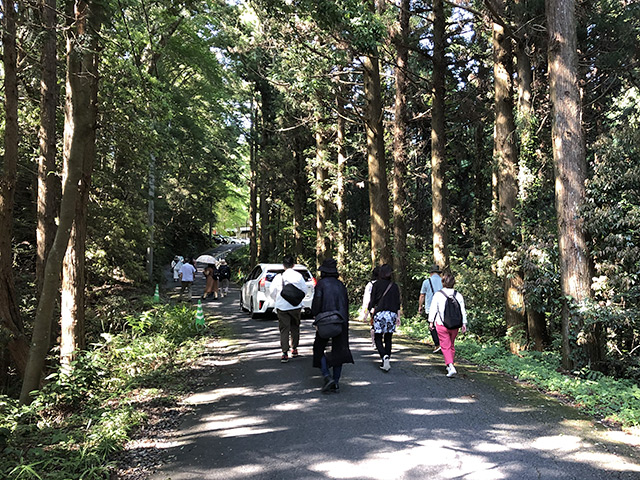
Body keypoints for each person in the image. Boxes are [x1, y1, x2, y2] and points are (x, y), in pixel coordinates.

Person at [312, 258, 354, 393]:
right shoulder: (341, 285)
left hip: (325, 321)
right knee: (339, 351)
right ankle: (335, 382)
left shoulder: (321, 284)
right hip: (341, 321)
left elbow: (316, 304)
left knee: (318, 348)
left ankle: (326, 375)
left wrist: (316, 318)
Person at [428, 271, 467, 377]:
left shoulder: (438, 295)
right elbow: (462, 310)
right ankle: (450, 363)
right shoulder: (458, 295)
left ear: (443, 282)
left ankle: (450, 366)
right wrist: (464, 323)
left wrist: (431, 321)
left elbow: (433, 309)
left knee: (445, 345)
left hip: (441, 324)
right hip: (455, 325)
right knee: (451, 345)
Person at [270, 255, 308, 363]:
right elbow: (304, 290)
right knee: (295, 327)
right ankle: (294, 349)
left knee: (284, 329)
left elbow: (272, 292)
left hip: (282, 307)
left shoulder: (279, 277)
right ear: (293, 265)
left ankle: (284, 353)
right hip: (296, 306)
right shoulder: (298, 276)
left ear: (283, 265)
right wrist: (297, 299)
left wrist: (276, 300)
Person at [367, 264, 401, 372]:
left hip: (380, 313)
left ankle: (384, 356)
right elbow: (397, 303)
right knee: (388, 338)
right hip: (391, 314)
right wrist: (398, 317)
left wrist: (368, 311)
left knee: (378, 337)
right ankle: (387, 358)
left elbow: (372, 300)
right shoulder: (394, 286)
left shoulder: (376, 285)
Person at [419, 264, 443, 353]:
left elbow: (422, 295)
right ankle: (443, 343)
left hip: (430, 307)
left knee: (432, 325)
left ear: (431, 273)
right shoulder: (443, 281)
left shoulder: (426, 282)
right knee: (441, 325)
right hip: (442, 307)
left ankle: (437, 344)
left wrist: (420, 306)